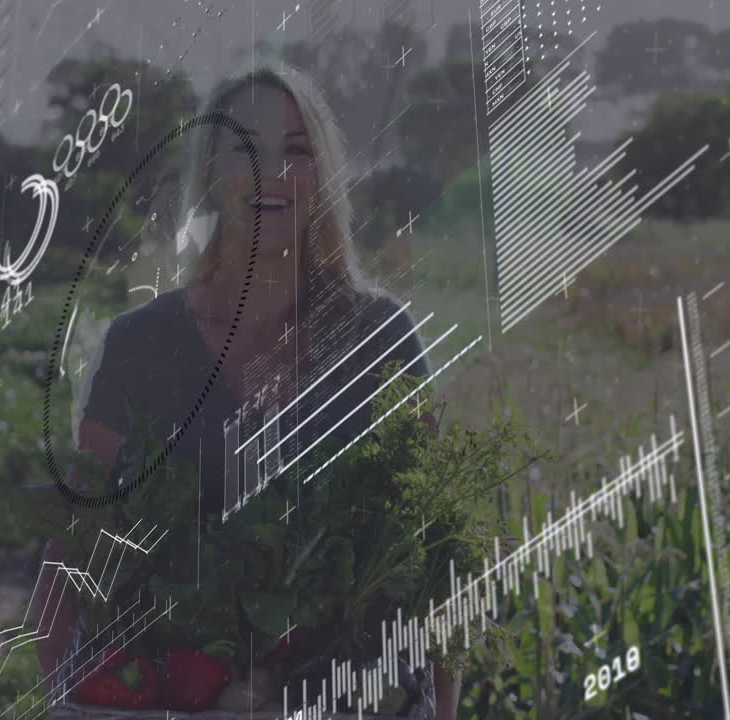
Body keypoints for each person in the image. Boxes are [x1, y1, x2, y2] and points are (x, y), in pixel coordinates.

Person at [33, 61, 460, 720]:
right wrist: (61, 697)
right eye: (247, 150)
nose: (274, 173)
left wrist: (442, 706)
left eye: (297, 151)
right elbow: (76, 546)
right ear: (210, 171)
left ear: (322, 178)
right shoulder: (141, 345)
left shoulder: (381, 336)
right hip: (180, 693)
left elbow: (435, 549)